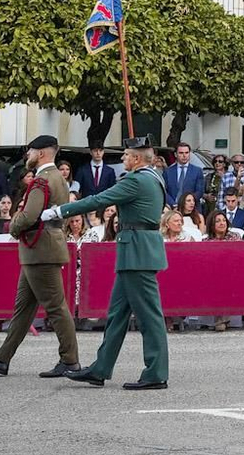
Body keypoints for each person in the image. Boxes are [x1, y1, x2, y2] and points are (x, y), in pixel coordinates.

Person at [42, 136, 171, 390]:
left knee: (149, 317)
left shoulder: (137, 180)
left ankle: (156, 372)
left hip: (137, 252)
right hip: (135, 251)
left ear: (136, 159)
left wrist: (60, 211)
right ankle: (100, 368)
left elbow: (99, 200)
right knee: (116, 315)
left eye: (125, 155)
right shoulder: (153, 177)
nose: (122, 159)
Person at [0, 134, 80, 380]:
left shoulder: (43, 180)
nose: (28, 156)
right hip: (42, 248)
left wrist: (13, 226)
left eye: (30, 151)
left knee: (55, 306)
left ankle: (70, 360)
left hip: (40, 249)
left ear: (41, 153)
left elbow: (29, 214)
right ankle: (2, 358)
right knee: (23, 308)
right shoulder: (58, 179)